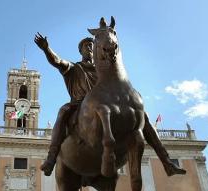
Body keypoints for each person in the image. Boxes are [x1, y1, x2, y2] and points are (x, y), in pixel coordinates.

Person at [34, 33, 186, 177]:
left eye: (91, 46)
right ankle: (51, 158)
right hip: (80, 105)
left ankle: (167, 162)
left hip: (107, 104)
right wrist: (47, 49)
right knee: (63, 111)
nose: (89, 48)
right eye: (86, 46)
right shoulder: (74, 68)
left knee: (142, 115)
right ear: (81, 51)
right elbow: (57, 61)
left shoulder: (105, 71)